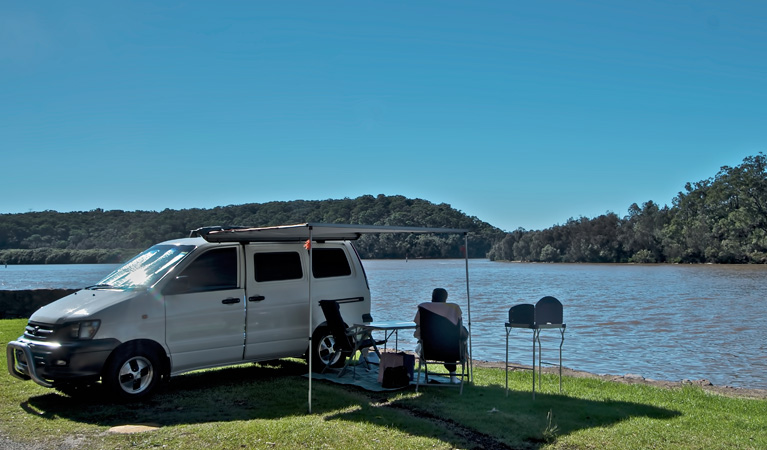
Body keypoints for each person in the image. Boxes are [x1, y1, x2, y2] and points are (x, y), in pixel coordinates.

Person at [413, 288, 469, 384]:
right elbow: (459, 330)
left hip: (429, 350)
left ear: (432, 297)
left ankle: (422, 359)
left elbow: (418, 326)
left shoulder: (424, 308)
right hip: (451, 351)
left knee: (426, 341)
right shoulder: (453, 309)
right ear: (445, 298)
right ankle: (453, 377)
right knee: (456, 338)